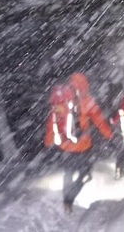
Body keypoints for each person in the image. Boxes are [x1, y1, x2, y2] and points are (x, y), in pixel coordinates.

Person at [44, 72, 113, 213]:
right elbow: (99, 121)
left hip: (65, 147)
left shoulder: (60, 100)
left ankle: (66, 200)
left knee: (68, 173)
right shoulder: (87, 100)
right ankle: (70, 198)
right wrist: (110, 136)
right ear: (84, 85)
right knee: (85, 175)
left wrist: (48, 141)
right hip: (83, 147)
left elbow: (52, 121)